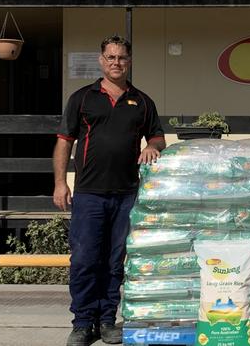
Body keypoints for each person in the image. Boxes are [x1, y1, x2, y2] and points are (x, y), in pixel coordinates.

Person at [53, 35, 166, 346]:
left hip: (127, 194)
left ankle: (106, 322)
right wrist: (61, 183)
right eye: (111, 57)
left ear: (129, 62)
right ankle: (82, 323)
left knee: (115, 261)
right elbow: (64, 142)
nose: (117, 63)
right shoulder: (82, 98)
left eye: (122, 58)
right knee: (85, 259)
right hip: (89, 193)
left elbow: (158, 138)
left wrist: (151, 148)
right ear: (102, 61)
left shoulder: (142, 101)